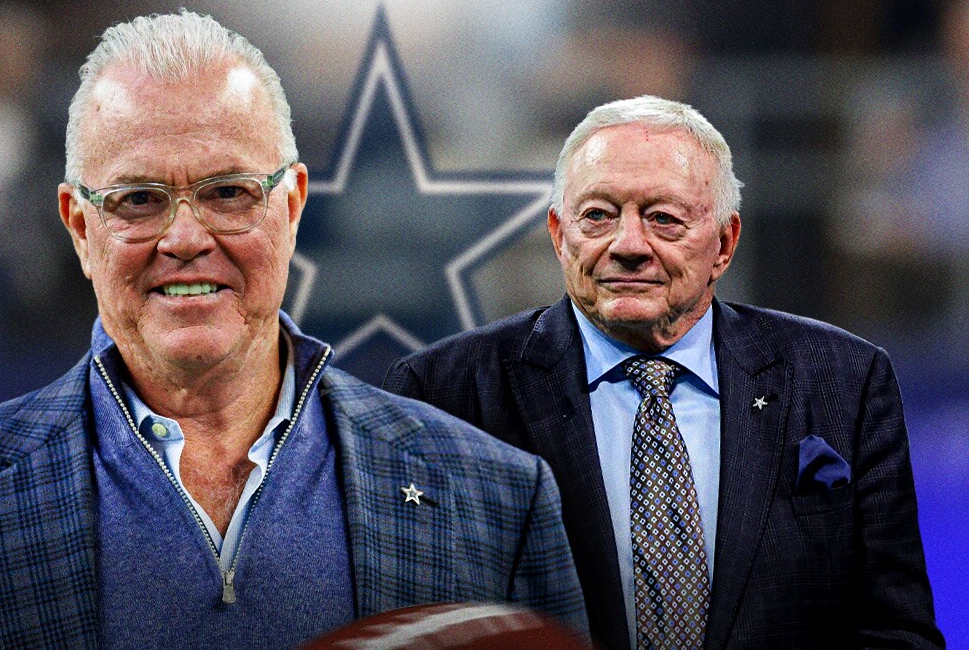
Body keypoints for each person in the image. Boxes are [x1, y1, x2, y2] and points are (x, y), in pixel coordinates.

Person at [0, 12, 587, 648]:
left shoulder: (498, 497)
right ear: (78, 224)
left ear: (292, 204)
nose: (184, 237)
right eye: (137, 199)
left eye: (229, 192)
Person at [384, 95, 943, 648]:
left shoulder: (845, 379)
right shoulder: (442, 392)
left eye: (664, 219)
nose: (628, 246)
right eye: (598, 215)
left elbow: (896, 632)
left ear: (724, 244)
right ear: (558, 234)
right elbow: (410, 631)